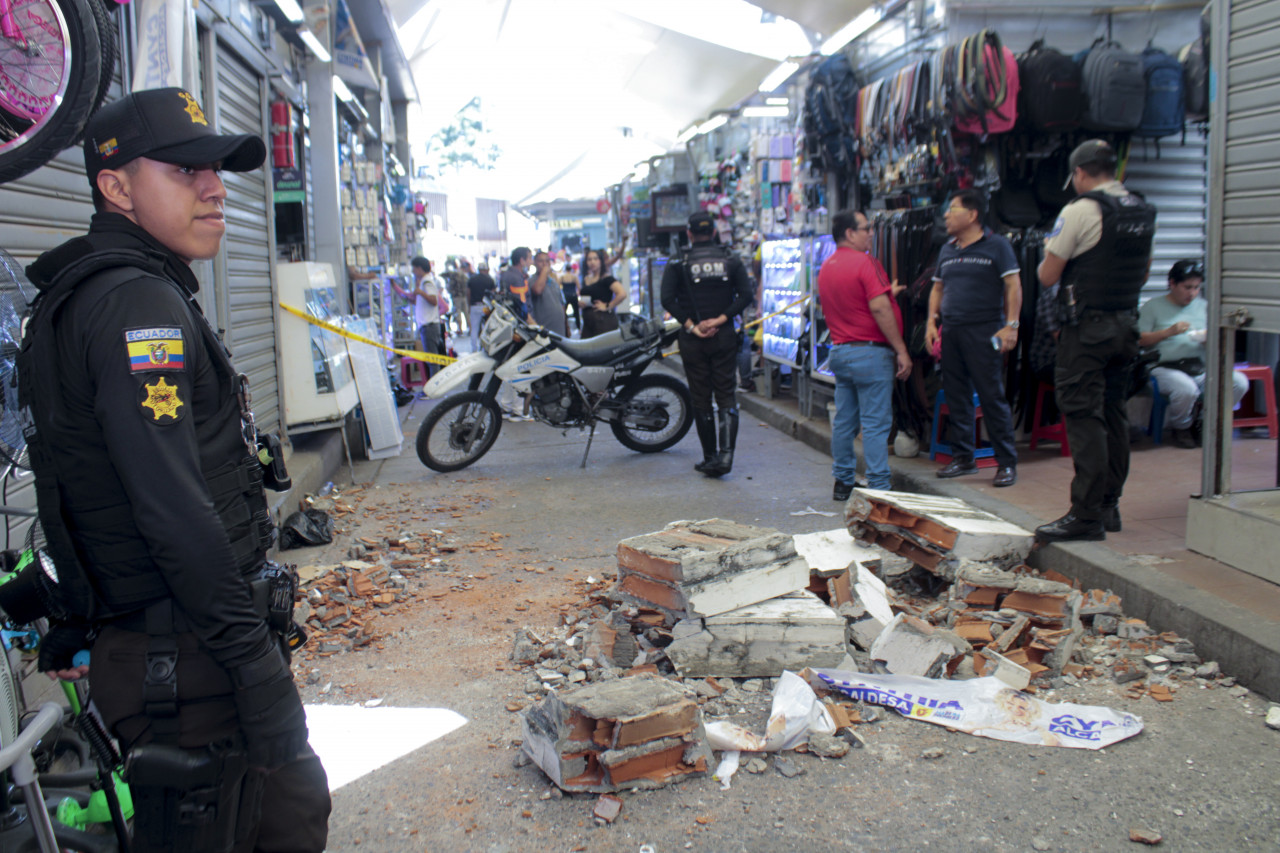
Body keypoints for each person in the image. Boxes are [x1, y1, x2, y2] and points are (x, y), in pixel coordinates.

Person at [18, 88, 329, 851]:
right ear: (116, 186)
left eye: (215, 169)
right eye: (185, 170)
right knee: (287, 821)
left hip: (164, 649)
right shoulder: (137, 304)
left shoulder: (89, 291)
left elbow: (83, 480)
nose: (215, 187)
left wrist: (79, 611)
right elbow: (170, 508)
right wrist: (253, 666)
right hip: (190, 659)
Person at [1035, 139, 1157, 542]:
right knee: (1114, 412)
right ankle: (1108, 506)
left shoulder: (1081, 209)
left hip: (1088, 331)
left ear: (1080, 173)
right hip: (1126, 325)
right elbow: (1143, 272)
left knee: (1083, 415)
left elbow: (1048, 276)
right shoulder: (1141, 209)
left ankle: (1085, 515)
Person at [924, 189, 1022, 488]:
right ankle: (964, 457)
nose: (946, 215)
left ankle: (1006, 463)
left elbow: (1013, 285)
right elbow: (938, 288)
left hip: (984, 330)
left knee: (991, 396)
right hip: (951, 330)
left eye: (952, 209)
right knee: (956, 396)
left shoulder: (997, 245)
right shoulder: (947, 249)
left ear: (972, 214)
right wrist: (931, 322)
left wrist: (1011, 325)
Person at [818, 210, 913, 500]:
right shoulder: (866, 262)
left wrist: (886, 294)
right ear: (849, 233)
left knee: (845, 422)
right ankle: (880, 487)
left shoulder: (827, 267)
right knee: (874, 424)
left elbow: (856, 302)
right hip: (870, 354)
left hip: (841, 352)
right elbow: (878, 308)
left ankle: (843, 482)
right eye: (866, 228)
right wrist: (901, 350)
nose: (871, 233)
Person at [659, 211, 755, 477]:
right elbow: (746, 295)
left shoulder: (678, 260)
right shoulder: (730, 258)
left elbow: (667, 299)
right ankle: (726, 456)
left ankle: (710, 456)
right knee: (726, 394)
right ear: (714, 232)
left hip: (693, 339)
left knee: (701, 397)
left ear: (689, 233)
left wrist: (692, 325)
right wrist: (721, 319)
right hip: (724, 336)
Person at [1138, 258, 1249, 448]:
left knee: (1239, 382)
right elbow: (1139, 340)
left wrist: (1209, 340)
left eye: (1196, 288)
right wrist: (1167, 332)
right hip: (1165, 367)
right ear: (1172, 284)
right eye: (1187, 287)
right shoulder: (1152, 307)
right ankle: (1182, 427)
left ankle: (1205, 422)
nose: (1192, 293)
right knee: (1185, 389)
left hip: (1199, 367)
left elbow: (1218, 339)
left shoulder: (1205, 307)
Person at [392, 256, 442, 377]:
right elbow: (419, 300)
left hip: (429, 326)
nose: (413, 272)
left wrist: (421, 293)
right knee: (431, 359)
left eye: (414, 268)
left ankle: (435, 384)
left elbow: (433, 301)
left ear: (419, 268)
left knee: (432, 360)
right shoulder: (424, 282)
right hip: (427, 325)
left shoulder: (427, 282)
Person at [579, 247, 627, 337]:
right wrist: (581, 303)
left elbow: (622, 294)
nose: (592, 262)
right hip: (588, 323)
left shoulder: (606, 278)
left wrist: (608, 306)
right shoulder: (586, 278)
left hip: (603, 322)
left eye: (595, 259)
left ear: (600, 261)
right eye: (589, 259)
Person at [527, 250, 567, 335]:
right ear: (535, 263)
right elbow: (538, 290)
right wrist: (544, 271)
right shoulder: (531, 280)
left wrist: (567, 326)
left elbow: (561, 303)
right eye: (541, 261)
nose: (545, 264)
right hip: (544, 331)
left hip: (559, 330)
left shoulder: (553, 281)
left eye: (547, 261)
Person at [467, 262, 496, 351]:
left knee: (474, 328)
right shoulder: (490, 279)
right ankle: (484, 347)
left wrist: (469, 305)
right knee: (487, 328)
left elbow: (468, 293)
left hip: (475, 305)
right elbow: (493, 294)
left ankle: (474, 348)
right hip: (486, 306)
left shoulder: (472, 279)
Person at [501, 247, 531, 318]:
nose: (531, 262)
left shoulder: (508, 273)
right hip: (522, 320)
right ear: (522, 261)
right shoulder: (516, 278)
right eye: (529, 258)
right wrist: (533, 323)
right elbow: (522, 307)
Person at [560, 258, 581, 333]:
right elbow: (579, 287)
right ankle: (579, 328)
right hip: (573, 295)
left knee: (564, 313)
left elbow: (558, 286)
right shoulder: (574, 276)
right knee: (576, 313)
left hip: (566, 295)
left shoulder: (562, 276)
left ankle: (565, 328)